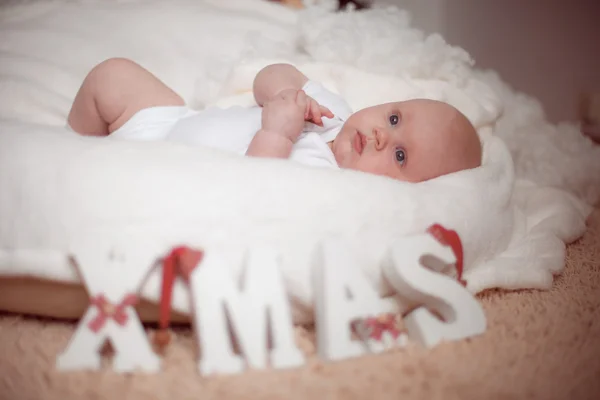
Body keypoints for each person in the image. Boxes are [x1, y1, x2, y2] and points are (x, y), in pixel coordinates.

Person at [68, 58, 482, 182]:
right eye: (394, 118)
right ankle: (67, 148)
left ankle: (90, 168)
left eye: (400, 155)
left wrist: (277, 135)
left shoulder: (329, 185)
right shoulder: (332, 111)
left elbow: (253, 190)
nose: (379, 135)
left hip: (163, 180)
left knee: (110, 180)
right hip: (167, 125)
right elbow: (270, 75)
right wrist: (287, 95)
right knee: (111, 75)